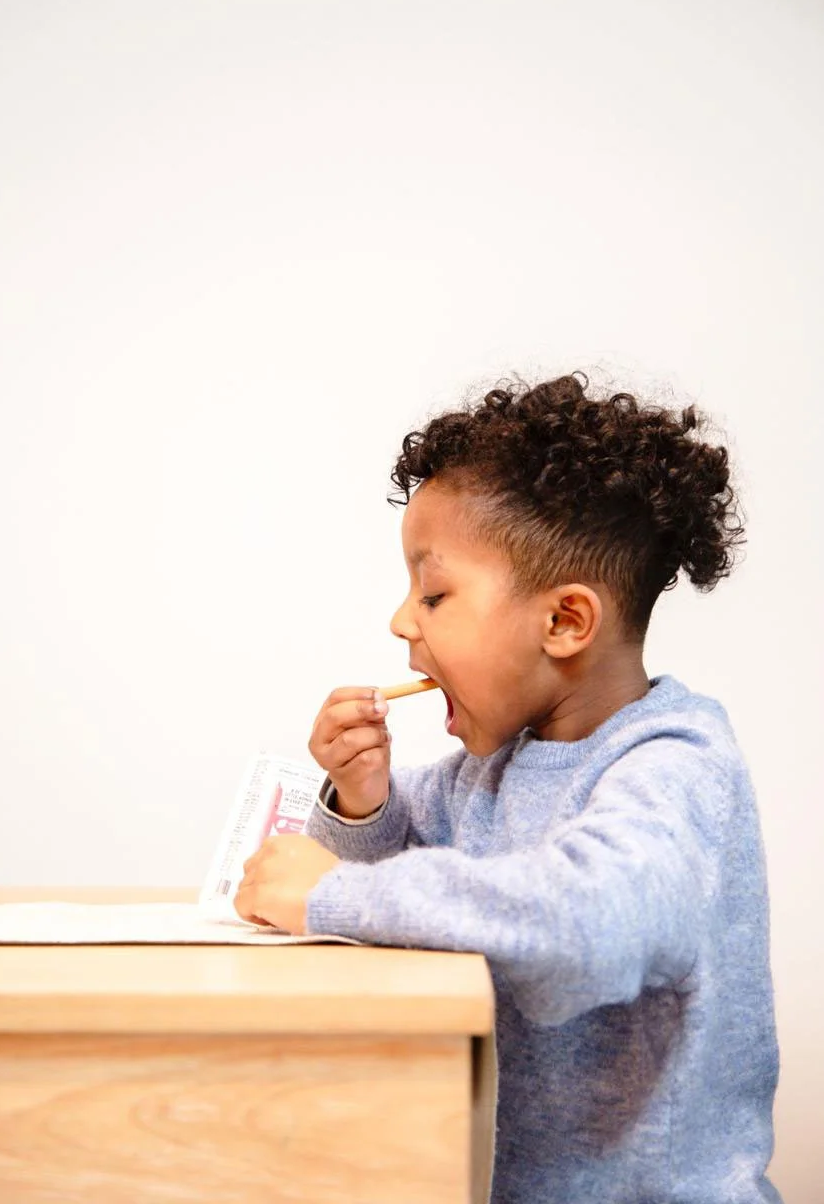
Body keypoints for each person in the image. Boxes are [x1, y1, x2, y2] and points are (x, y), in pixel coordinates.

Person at [234, 371, 782, 1203]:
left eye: (434, 593)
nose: (400, 622)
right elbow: (410, 857)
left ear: (564, 622)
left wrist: (334, 895)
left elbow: (578, 924)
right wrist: (363, 802)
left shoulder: (675, 769)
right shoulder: (492, 769)